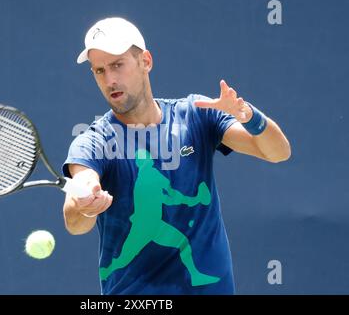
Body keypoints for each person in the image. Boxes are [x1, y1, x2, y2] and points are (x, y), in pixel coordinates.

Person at [62, 17, 291, 294]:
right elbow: (76, 218)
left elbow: (278, 152)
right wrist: (86, 203)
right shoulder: (95, 141)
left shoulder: (196, 115)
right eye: (99, 70)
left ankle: (196, 276)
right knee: (132, 252)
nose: (110, 80)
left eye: (117, 65)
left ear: (145, 61)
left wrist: (250, 117)